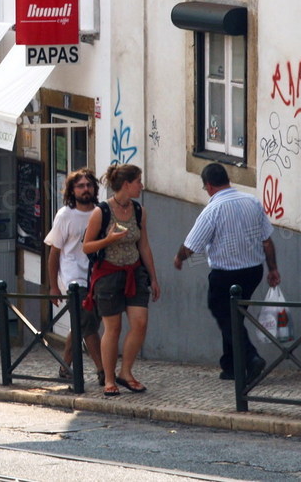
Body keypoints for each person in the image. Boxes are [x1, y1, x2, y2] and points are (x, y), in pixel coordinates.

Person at [173, 162, 281, 382]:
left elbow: (191, 246)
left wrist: (179, 258)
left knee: (225, 316)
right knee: (234, 317)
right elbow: (267, 241)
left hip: (225, 275)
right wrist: (273, 269)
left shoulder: (212, 210)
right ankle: (231, 366)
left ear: (209, 185)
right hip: (252, 272)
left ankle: (251, 358)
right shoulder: (252, 201)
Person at [83, 163, 161, 396]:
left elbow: (144, 246)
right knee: (113, 328)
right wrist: (108, 240)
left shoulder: (139, 211)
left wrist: (154, 278)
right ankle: (109, 378)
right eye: (138, 181)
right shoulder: (102, 211)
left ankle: (126, 372)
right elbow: (87, 246)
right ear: (127, 184)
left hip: (134, 272)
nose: (142, 186)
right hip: (108, 274)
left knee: (140, 322)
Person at [44, 168, 106, 385]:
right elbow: (54, 253)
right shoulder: (65, 216)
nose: (85, 189)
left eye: (89, 185)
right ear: (72, 190)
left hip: (96, 275)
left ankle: (64, 366)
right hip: (72, 279)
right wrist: (53, 286)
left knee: (82, 324)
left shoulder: (100, 212)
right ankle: (103, 371)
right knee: (88, 323)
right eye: (80, 186)